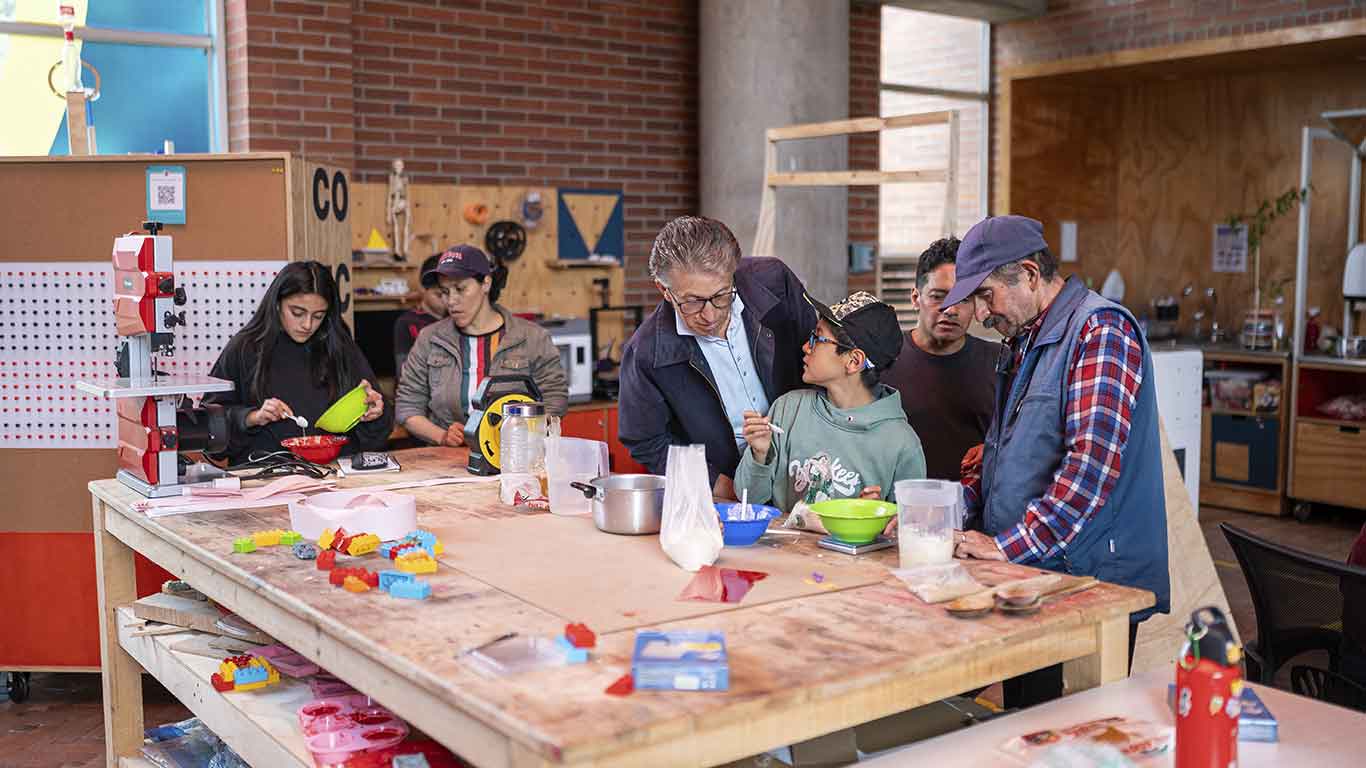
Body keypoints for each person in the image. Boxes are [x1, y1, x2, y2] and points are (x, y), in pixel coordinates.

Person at [944, 215, 1170, 709]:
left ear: (1028, 274)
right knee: (1025, 723)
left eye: (985, 296)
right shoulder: (1024, 340)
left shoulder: (1100, 332)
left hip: (1088, 578)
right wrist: (949, 516)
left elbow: (1088, 471)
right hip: (1036, 571)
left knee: (1070, 737)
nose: (980, 315)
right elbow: (1009, 454)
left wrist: (1006, 547)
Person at [618, 216, 817, 499]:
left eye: (721, 295)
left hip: (810, 463)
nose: (710, 315)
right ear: (664, 291)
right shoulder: (646, 354)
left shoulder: (775, 283)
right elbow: (646, 442)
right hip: (732, 483)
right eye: (693, 301)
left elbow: (819, 356)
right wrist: (722, 486)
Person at [734, 292, 926, 529]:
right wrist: (760, 456)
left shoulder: (902, 444)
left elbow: (911, 532)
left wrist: (875, 519)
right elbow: (747, 502)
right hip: (782, 560)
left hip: (850, 566)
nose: (805, 346)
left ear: (853, 361)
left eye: (817, 338)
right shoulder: (789, 409)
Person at [206, 261, 390, 464]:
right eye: (297, 313)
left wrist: (374, 413)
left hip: (335, 476)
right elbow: (211, 429)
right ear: (277, 304)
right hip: (265, 479)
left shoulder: (339, 346)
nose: (307, 324)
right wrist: (252, 417)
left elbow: (377, 438)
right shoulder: (245, 348)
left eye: (318, 316)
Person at [395, 245, 567, 447]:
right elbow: (407, 407)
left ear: (486, 283)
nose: (451, 301)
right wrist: (442, 436)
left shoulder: (532, 337)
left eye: (460, 289)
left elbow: (554, 400)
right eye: (444, 292)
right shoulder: (429, 339)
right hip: (446, 463)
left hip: (516, 459)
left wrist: (519, 436)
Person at [882, 237, 998, 481]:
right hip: (899, 508)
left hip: (975, 509)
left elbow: (1019, 438)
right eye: (938, 296)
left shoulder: (1000, 362)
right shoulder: (883, 358)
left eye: (963, 298)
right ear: (915, 298)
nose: (951, 309)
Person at [392, 253, 448, 373]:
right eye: (438, 295)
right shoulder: (407, 323)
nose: (446, 300)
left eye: (448, 293)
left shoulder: (456, 319)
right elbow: (403, 371)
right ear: (423, 289)